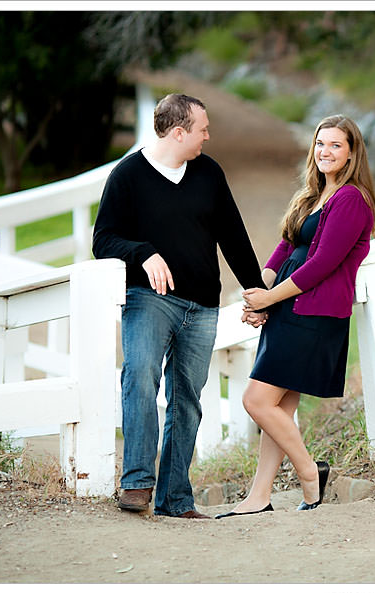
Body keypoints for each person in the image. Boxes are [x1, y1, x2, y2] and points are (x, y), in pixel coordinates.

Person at [92, 94, 264, 519]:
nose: (208, 135)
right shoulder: (128, 175)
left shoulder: (208, 172)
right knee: (140, 378)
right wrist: (143, 252)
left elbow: (234, 237)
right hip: (150, 300)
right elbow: (103, 240)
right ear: (178, 132)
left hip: (202, 306)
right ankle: (136, 483)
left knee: (187, 400)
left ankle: (175, 499)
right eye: (202, 129)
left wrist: (256, 291)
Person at [215, 114, 375, 518]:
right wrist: (260, 293)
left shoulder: (352, 200)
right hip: (290, 307)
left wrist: (269, 298)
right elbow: (283, 250)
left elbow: (322, 263)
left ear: (352, 152)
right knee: (279, 408)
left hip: (315, 313)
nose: (325, 151)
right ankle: (260, 496)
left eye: (336, 145)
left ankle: (309, 473)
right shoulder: (312, 195)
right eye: (320, 143)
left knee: (257, 401)